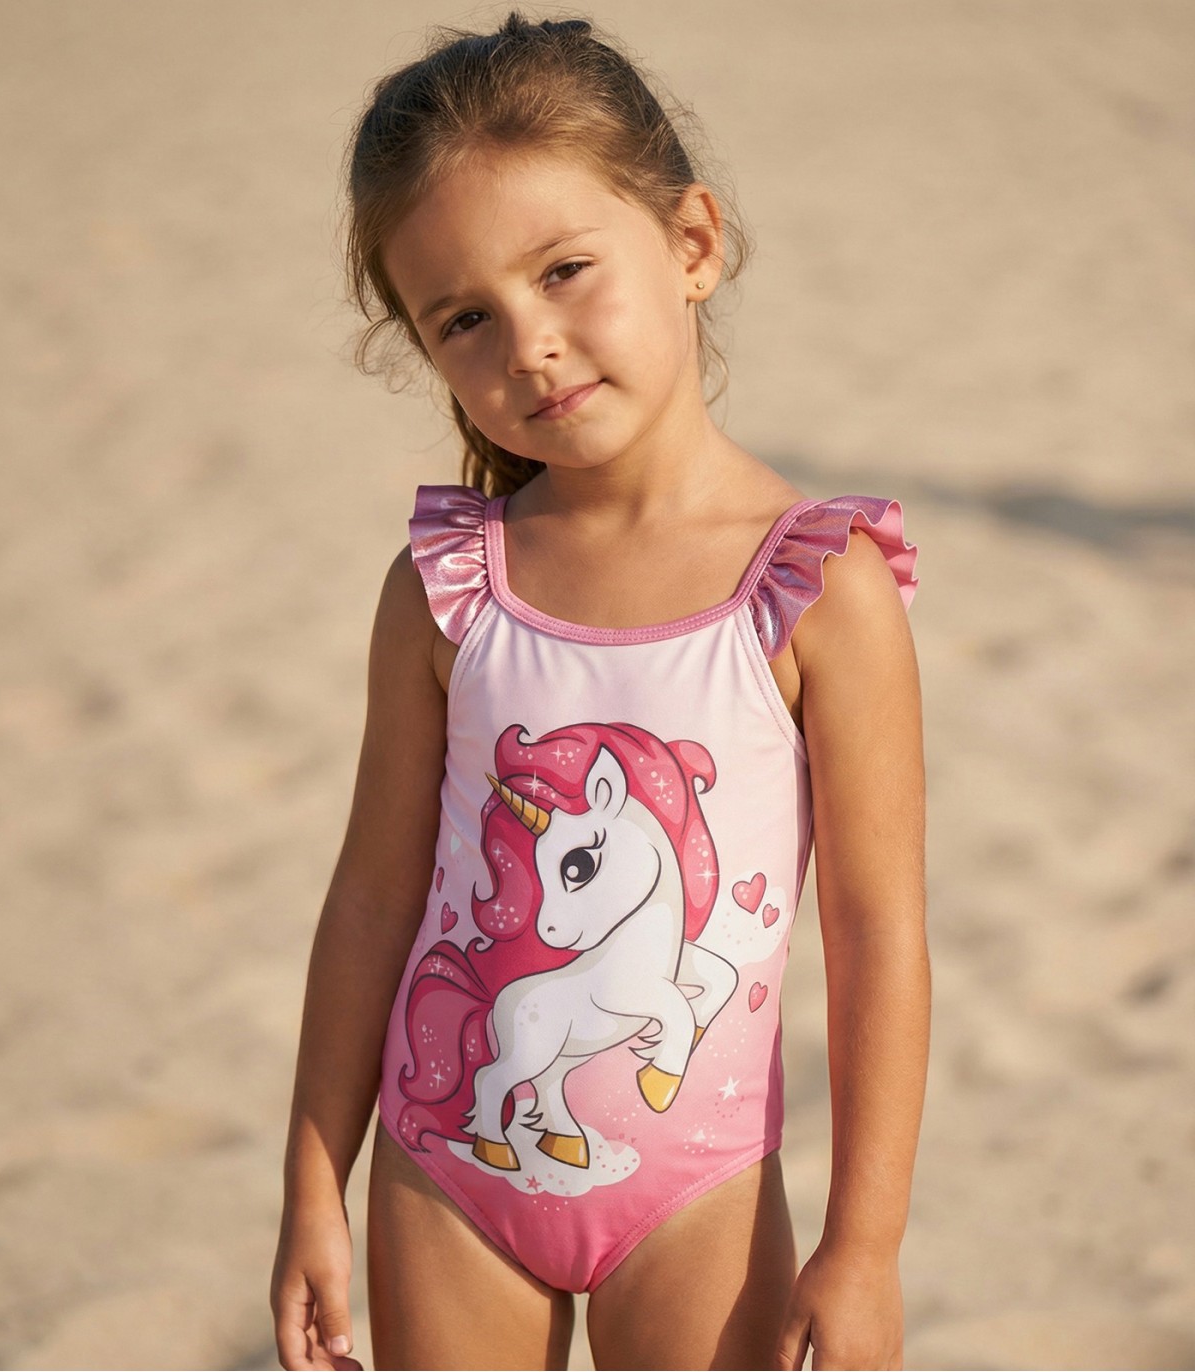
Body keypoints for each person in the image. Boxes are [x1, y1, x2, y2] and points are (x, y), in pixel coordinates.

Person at [270, 12, 929, 1370]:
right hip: (444, 1176)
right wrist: (312, 1185)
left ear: (692, 244)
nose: (532, 345)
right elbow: (375, 899)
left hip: (701, 1199)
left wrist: (863, 1248)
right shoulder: (449, 588)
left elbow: (876, 933)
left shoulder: (819, 589)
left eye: (566, 271)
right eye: (465, 319)